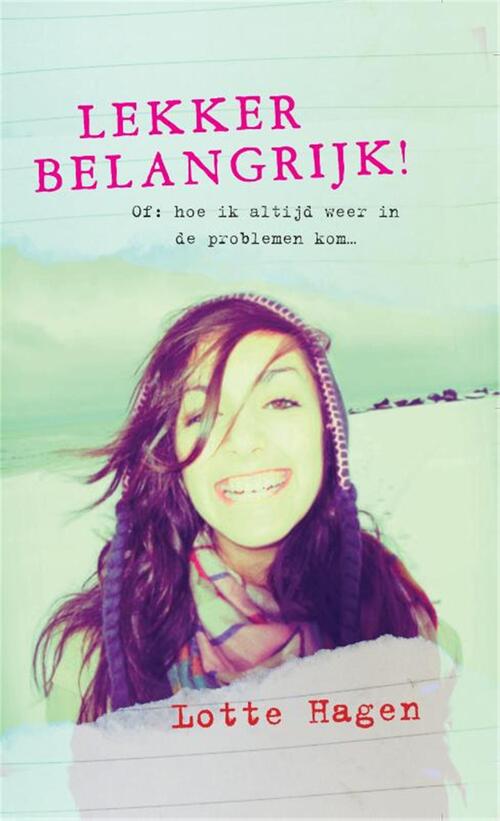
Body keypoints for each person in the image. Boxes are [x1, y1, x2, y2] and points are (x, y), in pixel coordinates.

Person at [34, 292, 437, 723]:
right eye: (204, 413)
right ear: (174, 454)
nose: (243, 441)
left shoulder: (403, 625)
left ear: (327, 429)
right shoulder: (94, 663)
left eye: (279, 402)